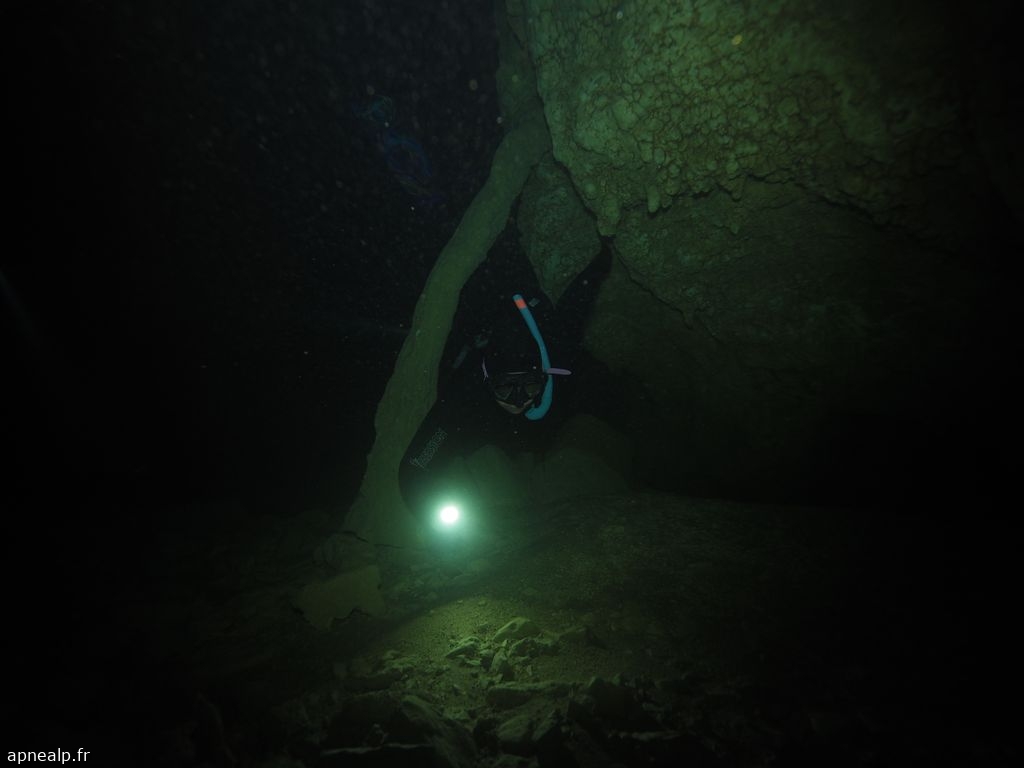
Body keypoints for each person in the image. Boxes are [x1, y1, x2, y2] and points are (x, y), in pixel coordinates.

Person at [398, 240, 610, 529]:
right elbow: (416, 465)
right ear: (488, 382)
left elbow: (579, 299)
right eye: (506, 388)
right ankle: (505, 244)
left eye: (529, 386)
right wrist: (432, 517)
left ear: (543, 376)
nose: (519, 399)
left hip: (536, 319)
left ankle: (511, 244)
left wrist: (604, 258)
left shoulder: (557, 352)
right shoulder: (467, 391)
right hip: (495, 317)